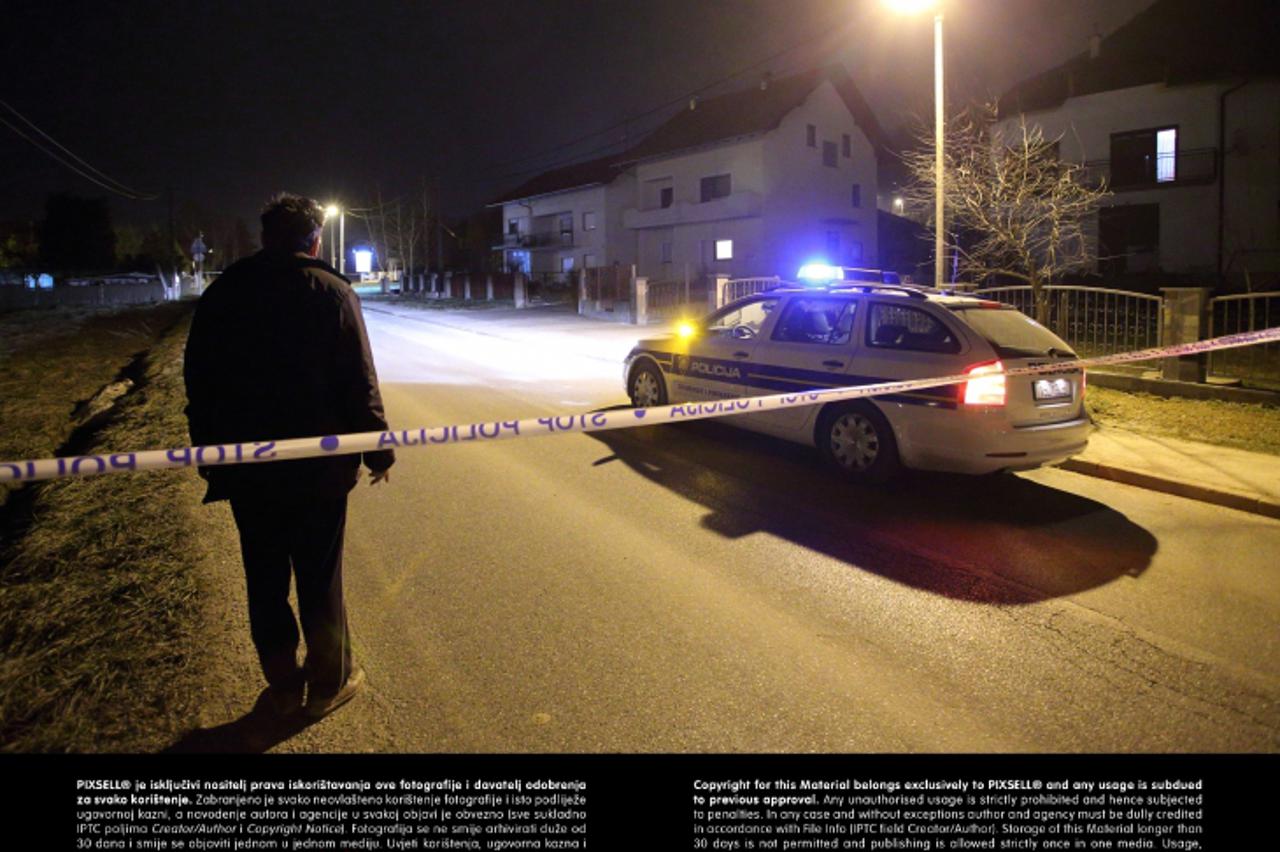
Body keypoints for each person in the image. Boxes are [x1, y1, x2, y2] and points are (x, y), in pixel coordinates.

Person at [183, 193, 394, 720]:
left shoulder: (225, 292)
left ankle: (282, 682)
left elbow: (199, 380)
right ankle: (327, 683)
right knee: (320, 578)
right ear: (314, 238)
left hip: (249, 474)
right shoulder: (332, 293)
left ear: (265, 237)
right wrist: (378, 451)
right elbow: (358, 381)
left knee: (265, 576)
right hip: (319, 474)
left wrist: (209, 451)